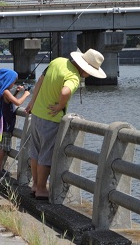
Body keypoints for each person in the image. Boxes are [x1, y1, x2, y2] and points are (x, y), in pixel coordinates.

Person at [25, 48, 106, 200]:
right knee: (46, 154)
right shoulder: (74, 76)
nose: (88, 75)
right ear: (84, 68)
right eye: (90, 72)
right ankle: (42, 189)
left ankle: (35, 185)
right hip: (51, 118)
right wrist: (60, 106)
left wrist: (32, 102)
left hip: (36, 113)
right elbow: (65, 92)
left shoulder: (57, 61)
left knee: (35, 152)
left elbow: (40, 81)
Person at [0, 69, 31, 177]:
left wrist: (17, 92)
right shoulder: (5, 92)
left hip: (3, 124)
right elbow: (17, 102)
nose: (14, 83)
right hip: (6, 125)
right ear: (8, 80)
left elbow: (9, 101)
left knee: (3, 147)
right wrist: (26, 94)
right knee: (4, 148)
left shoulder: (1, 91)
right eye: (13, 81)